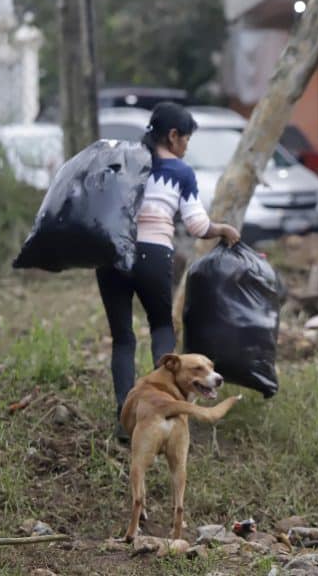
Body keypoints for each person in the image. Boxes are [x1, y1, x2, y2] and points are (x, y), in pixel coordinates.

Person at [98, 102, 240, 443]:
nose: (187, 147)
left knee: (122, 337)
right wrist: (223, 229)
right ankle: (166, 407)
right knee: (161, 325)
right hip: (151, 254)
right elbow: (196, 225)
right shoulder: (179, 171)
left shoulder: (122, 162)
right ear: (173, 136)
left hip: (111, 254)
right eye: (187, 139)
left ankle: (126, 418)